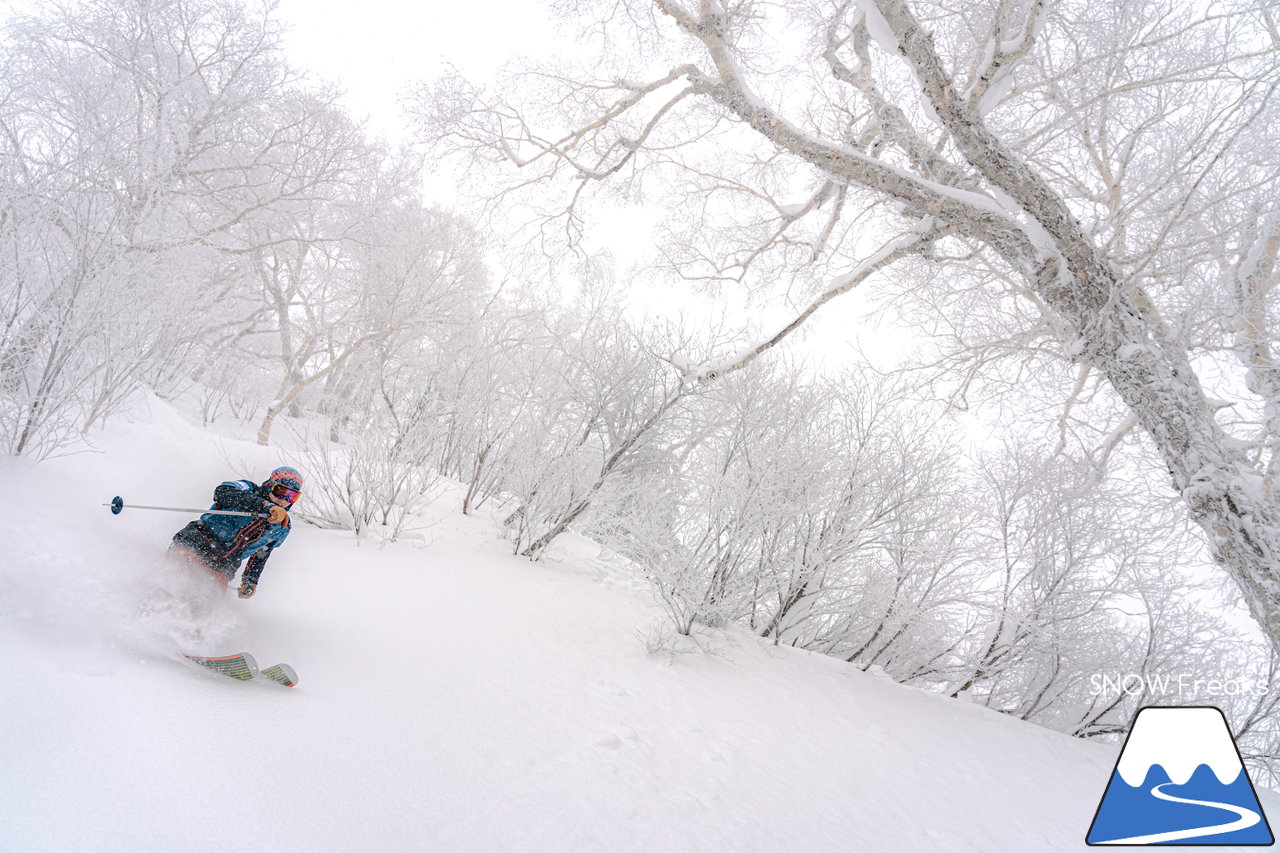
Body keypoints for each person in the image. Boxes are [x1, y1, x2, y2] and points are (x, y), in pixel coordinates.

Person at [169, 466, 303, 599]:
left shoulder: (282, 527)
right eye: (280, 491)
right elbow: (222, 492)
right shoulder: (248, 488)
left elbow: (262, 553)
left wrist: (250, 581)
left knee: (208, 599)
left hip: (225, 563)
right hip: (199, 541)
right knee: (181, 572)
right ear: (269, 485)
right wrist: (264, 506)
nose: (284, 499)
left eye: (291, 496)